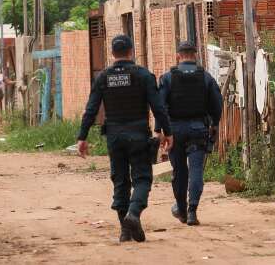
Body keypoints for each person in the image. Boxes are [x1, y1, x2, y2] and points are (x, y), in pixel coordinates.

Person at [77, 34, 173, 243]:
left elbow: (91, 109)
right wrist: (168, 132)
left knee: (120, 180)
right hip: (138, 134)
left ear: (112, 53)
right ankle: (133, 215)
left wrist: (82, 137)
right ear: (131, 51)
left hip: (114, 136)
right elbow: (158, 107)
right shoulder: (143, 75)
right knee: (142, 178)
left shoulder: (103, 77)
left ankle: (125, 229)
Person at [159, 41, 223, 226]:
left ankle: (181, 208)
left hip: (174, 131)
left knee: (179, 172)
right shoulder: (206, 77)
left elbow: (160, 106)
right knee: (196, 170)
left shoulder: (168, 78)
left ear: (178, 56)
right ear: (195, 55)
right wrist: (214, 124)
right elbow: (217, 105)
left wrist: (161, 130)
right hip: (198, 129)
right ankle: (192, 211)